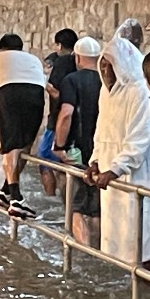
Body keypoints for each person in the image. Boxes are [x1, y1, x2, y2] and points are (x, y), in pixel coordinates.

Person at [85, 36, 150, 269]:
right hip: (112, 173)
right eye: (102, 64)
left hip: (141, 172)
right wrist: (95, 161)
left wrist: (115, 168)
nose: (105, 70)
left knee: (143, 235)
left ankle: (148, 284)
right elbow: (101, 129)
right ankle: (127, 286)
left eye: (109, 64)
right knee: (120, 237)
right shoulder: (106, 92)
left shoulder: (140, 91)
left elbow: (140, 137)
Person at [0, 33, 47, 219]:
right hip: (35, 94)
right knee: (24, 146)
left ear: (1, 48)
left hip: (6, 92)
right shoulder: (33, 59)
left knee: (10, 147)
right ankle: (4, 192)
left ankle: (15, 199)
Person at [53, 36, 103, 246]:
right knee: (96, 207)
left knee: (76, 206)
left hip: (78, 150)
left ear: (78, 57)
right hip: (102, 152)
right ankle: (100, 250)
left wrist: (59, 145)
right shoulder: (107, 80)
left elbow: (66, 114)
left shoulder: (72, 80)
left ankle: (84, 253)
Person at [37, 29, 79, 196]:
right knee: (65, 163)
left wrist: (42, 81)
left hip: (57, 120)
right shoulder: (77, 62)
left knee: (44, 161)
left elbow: (55, 92)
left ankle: (52, 198)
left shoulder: (61, 63)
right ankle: (68, 204)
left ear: (59, 45)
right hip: (76, 121)